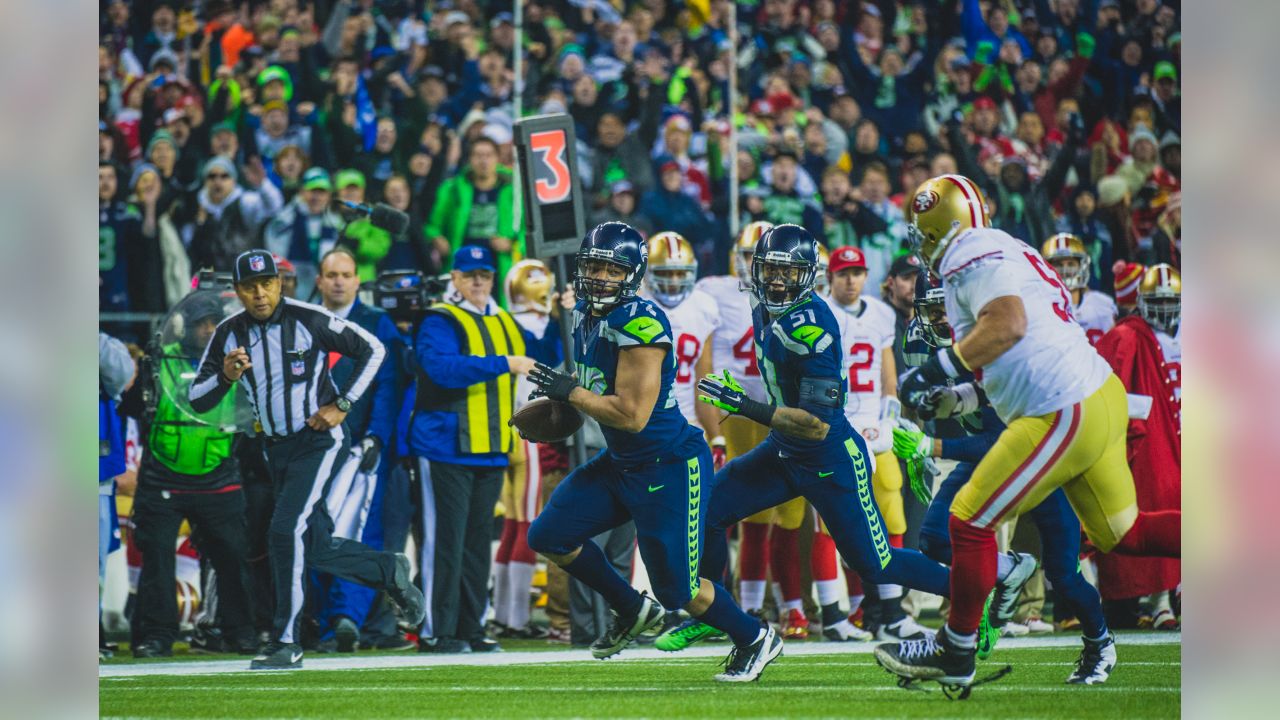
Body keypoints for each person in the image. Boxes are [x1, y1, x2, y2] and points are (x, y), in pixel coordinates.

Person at [875, 174, 1180, 692]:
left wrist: (936, 368)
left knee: (967, 522)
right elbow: (1017, 354)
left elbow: (1010, 324)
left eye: (922, 233)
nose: (920, 244)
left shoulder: (965, 252)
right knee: (1124, 533)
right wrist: (960, 395)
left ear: (937, 227)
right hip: (1093, 394)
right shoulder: (1007, 247)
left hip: (1060, 408)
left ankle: (956, 649)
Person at [660, 225, 951, 658]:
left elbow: (815, 424)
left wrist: (745, 405)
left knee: (876, 561)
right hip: (784, 449)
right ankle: (715, 614)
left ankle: (972, 588)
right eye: (770, 270)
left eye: (788, 272)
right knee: (706, 514)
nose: (777, 281)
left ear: (808, 276)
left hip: (828, 454)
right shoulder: (762, 307)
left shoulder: (813, 325)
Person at [525, 222, 782, 683]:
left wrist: (570, 394)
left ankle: (755, 637)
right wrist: (557, 410)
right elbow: (595, 394)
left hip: (667, 463)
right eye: (594, 266)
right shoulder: (586, 313)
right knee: (549, 534)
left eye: (612, 268)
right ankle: (630, 608)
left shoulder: (640, 323)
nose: (601, 277)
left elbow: (631, 415)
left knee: (678, 590)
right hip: (623, 461)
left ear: (634, 274)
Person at [188, 249, 424, 670]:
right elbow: (198, 399)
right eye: (250, 287)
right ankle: (388, 570)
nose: (260, 294)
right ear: (237, 290)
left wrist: (344, 402)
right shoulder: (228, 333)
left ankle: (285, 641)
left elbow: (373, 348)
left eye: (267, 284)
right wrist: (226, 376)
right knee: (312, 546)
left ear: (280, 283)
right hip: (275, 448)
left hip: (320, 439)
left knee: (284, 531)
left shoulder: (307, 318)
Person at [892, 271, 1117, 684]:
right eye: (932, 309)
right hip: (988, 451)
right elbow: (925, 408)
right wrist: (916, 440)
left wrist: (932, 447)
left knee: (1063, 573)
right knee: (935, 537)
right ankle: (1004, 570)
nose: (941, 319)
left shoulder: (997, 341)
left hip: (1042, 452)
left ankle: (1100, 643)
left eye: (948, 308)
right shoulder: (920, 342)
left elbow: (1004, 438)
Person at [410, 245, 560, 654]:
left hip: (492, 447)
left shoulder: (505, 320)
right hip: (445, 445)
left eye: (485, 274)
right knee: (444, 541)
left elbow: (545, 357)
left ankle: (471, 628)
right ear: (454, 278)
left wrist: (566, 319)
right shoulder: (439, 319)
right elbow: (439, 368)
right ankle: (437, 630)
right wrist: (503, 363)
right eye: (470, 273)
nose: (478, 281)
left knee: (477, 544)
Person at [688, 221, 812, 642]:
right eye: (749, 258)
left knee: (789, 512)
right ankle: (747, 604)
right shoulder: (712, 292)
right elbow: (702, 359)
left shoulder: (799, 298)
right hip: (734, 411)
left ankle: (785, 604)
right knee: (748, 513)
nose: (766, 273)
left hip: (781, 410)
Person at [131, 292, 256, 658]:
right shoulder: (159, 362)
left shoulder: (238, 365)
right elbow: (135, 406)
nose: (207, 330)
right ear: (185, 327)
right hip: (162, 475)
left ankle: (241, 631)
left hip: (218, 474)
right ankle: (156, 634)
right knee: (156, 559)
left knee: (233, 558)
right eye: (201, 323)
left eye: (214, 324)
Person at [816, 246, 926, 641]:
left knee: (893, 519)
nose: (850, 280)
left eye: (857, 272)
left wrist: (888, 419)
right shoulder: (818, 312)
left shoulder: (879, 314)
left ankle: (892, 612)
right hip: (835, 429)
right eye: (844, 273)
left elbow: (888, 377)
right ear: (830, 276)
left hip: (875, 431)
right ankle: (833, 615)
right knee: (830, 526)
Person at [310, 249, 401, 653]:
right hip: (310, 447)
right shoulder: (301, 321)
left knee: (359, 532)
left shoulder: (377, 323)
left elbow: (388, 385)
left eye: (346, 274)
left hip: (358, 450)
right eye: (331, 274)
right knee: (312, 533)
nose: (339, 282)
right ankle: (316, 621)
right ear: (319, 280)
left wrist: (377, 438)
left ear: (358, 280)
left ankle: (344, 618)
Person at [1094, 265, 1182, 631]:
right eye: (1156, 300)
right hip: (1155, 437)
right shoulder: (1128, 337)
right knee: (1151, 508)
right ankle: (1157, 598)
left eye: (1170, 301)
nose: (1163, 308)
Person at [491, 260, 562, 638]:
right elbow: (546, 360)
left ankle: (505, 614)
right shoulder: (534, 325)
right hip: (528, 427)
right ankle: (516, 617)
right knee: (524, 523)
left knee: (512, 525)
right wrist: (556, 319)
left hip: (503, 428)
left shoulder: (501, 319)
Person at [641, 232, 721, 434]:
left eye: (680, 273)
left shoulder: (703, 306)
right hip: (642, 422)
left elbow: (704, 378)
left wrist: (717, 436)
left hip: (687, 422)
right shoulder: (635, 304)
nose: (674, 281)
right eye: (666, 274)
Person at [1042, 233, 1117, 345]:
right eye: (1058, 264)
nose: (1065, 270)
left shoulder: (1102, 304)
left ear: (1082, 266)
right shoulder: (1038, 305)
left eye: (1071, 264)